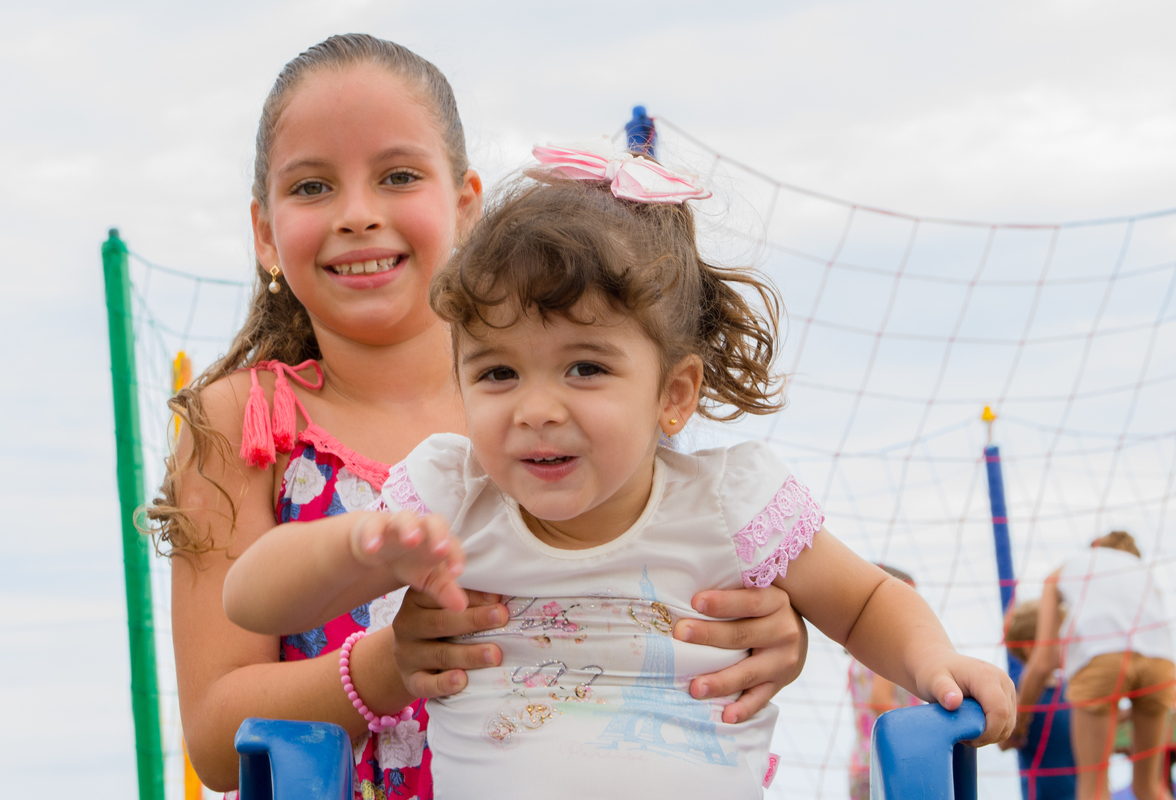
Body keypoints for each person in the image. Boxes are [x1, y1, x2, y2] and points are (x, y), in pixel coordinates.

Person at [224, 143, 1017, 798]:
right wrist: (352, 547)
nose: (536, 408)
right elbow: (251, 599)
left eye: (585, 368)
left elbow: (868, 599)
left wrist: (933, 662)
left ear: (673, 395)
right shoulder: (450, 502)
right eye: (498, 373)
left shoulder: (728, 503)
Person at [149, 35, 812, 798]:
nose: (357, 214)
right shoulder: (245, 419)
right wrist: (388, 666)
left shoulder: (552, 418)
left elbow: (667, 585)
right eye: (311, 187)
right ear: (265, 232)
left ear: (466, 206)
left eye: (399, 176)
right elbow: (216, 740)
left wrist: (771, 637)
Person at [1015, 532, 1175, 800]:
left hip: (1100, 656)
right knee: (1149, 787)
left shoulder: (1063, 571)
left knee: (1094, 789)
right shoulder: (1141, 571)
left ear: (1093, 548)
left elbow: (1043, 662)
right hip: (1161, 662)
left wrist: (1018, 723)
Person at [847, 565, 922, 800]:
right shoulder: (888, 646)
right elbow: (879, 701)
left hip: (864, 758)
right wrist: (920, 736)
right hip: (890, 759)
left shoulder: (861, 651)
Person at [1001, 599, 1076, 800]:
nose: (1067, 642)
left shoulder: (1070, 687)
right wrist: (1016, 728)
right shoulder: (1020, 694)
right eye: (1059, 637)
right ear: (1031, 648)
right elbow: (1003, 742)